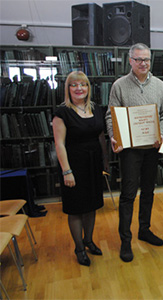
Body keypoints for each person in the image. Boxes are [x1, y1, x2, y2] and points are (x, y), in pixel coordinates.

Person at [105, 43, 163, 262]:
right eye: (139, 59)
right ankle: (125, 239)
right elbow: (111, 116)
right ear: (130, 61)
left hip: (152, 148)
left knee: (149, 191)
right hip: (130, 150)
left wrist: (160, 133)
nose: (143, 63)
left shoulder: (161, 86)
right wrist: (113, 135)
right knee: (128, 195)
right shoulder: (119, 86)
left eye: (146, 59)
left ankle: (144, 229)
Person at [52, 71, 108, 266]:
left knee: (91, 206)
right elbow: (59, 144)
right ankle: (78, 248)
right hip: (73, 165)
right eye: (74, 85)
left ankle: (89, 240)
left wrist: (105, 161)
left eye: (83, 84)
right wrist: (67, 171)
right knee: (76, 209)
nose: (79, 88)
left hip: (93, 164)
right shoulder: (62, 112)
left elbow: (101, 136)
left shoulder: (96, 108)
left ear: (88, 87)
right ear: (68, 89)